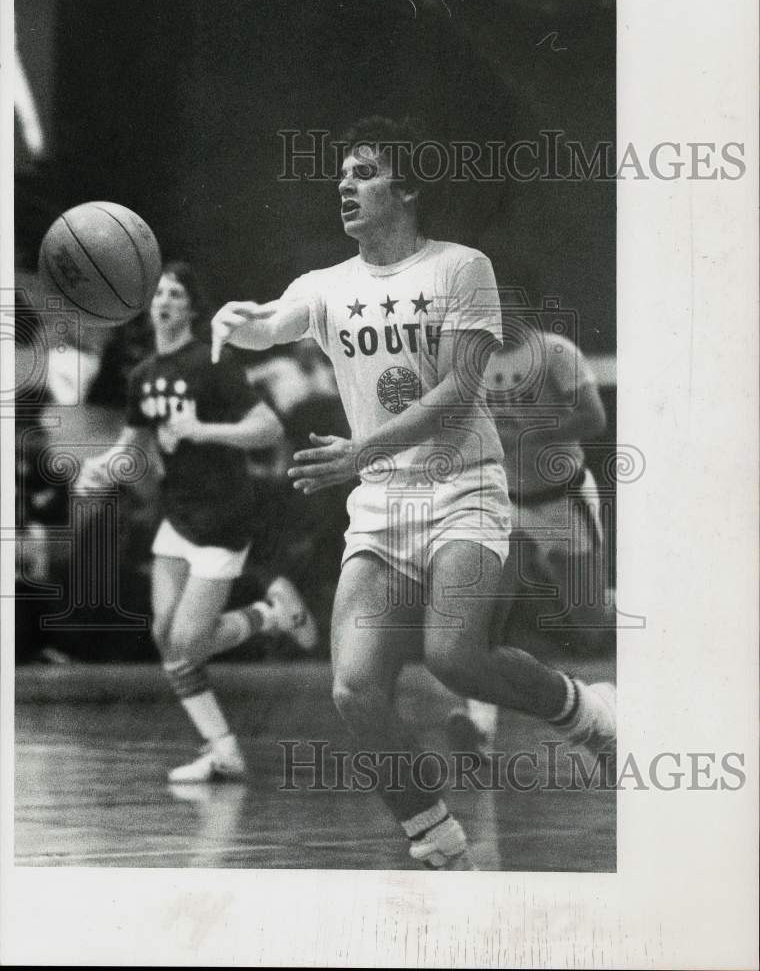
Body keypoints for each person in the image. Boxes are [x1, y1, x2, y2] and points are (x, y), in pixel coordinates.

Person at [211, 117, 615, 870]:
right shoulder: (327, 285)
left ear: (409, 186)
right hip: (383, 504)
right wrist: (237, 322)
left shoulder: (462, 268)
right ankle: (435, 836)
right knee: (354, 690)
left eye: (364, 171)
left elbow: (461, 394)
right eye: (341, 173)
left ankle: (587, 713)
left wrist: (361, 448)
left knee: (455, 657)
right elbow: (270, 325)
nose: (345, 183)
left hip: (465, 488)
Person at [78, 261, 318, 783]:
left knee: (188, 643)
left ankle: (270, 617)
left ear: (190, 307)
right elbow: (132, 450)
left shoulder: (212, 362)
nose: (164, 301)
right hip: (177, 514)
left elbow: (268, 429)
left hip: (223, 514)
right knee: (167, 638)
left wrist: (201, 429)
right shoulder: (143, 376)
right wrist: (100, 470)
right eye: (158, 294)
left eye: (175, 294)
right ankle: (224, 751)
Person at [447, 328, 611, 756]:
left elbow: (594, 418)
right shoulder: (470, 359)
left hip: (562, 500)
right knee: (484, 621)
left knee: (591, 619)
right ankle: (478, 722)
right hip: (508, 501)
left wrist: (529, 435)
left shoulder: (556, 351)